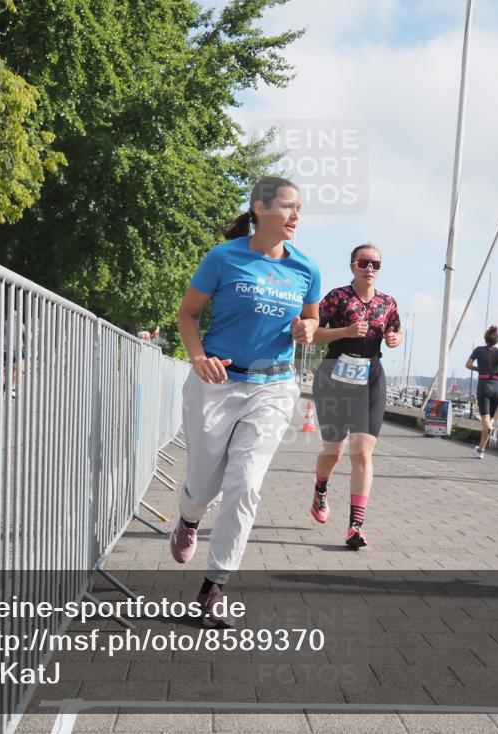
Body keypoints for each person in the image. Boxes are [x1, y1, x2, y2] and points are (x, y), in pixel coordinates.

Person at [169, 176, 320, 627]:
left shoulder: (306, 269)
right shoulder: (224, 257)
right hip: (216, 382)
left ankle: (215, 585)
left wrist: (307, 331)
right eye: (288, 207)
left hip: (273, 386)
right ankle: (189, 517)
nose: (296, 217)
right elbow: (188, 313)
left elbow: (311, 320)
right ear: (259, 208)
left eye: (300, 209)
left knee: (246, 482)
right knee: (204, 481)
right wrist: (197, 358)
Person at [309, 244, 402, 548]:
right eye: (364, 262)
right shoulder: (337, 298)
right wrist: (345, 331)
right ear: (353, 265)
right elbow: (313, 333)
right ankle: (320, 488)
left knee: (362, 452)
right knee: (334, 453)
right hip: (334, 375)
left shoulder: (388, 303)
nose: (370, 268)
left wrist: (394, 339)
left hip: (370, 378)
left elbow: (397, 333)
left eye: (376, 263)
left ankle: (355, 525)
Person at [465, 325, 498, 459]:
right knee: (489, 422)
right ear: (497, 340)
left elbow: (468, 365)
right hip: (497, 388)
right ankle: (481, 450)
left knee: (486, 422)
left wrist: (480, 369)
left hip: (484, 387)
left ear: (485, 338)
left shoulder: (478, 350)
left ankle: (492, 431)